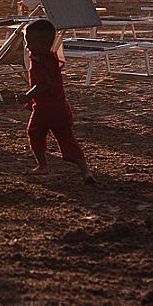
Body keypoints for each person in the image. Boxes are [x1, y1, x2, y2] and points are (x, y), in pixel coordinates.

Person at [24, 18, 94, 183]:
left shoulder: (37, 60)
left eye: (30, 43)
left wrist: (27, 96)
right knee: (68, 140)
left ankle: (43, 166)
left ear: (40, 44)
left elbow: (43, 84)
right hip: (62, 109)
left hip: (44, 110)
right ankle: (86, 171)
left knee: (35, 133)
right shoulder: (53, 58)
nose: (27, 47)